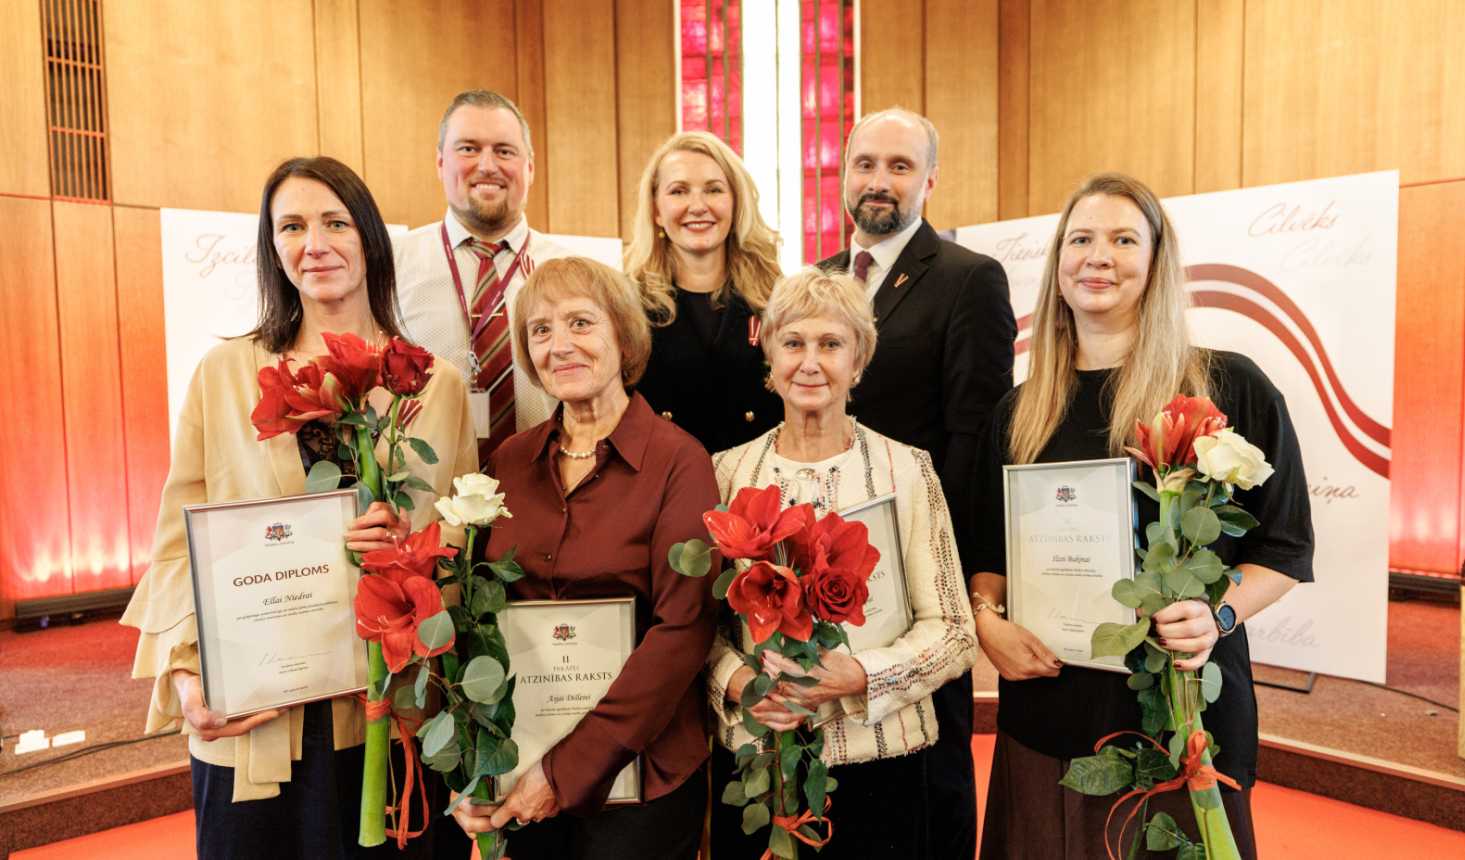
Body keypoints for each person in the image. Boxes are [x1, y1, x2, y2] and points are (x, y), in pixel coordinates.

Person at [120, 156, 479, 859]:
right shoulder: (223, 374)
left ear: (371, 239)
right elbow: (175, 549)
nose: (313, 243)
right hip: (260, 717)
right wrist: (188, 676)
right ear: (272, 248)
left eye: (334, 222)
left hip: (388, 715)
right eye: (290, 226)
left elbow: (462, 546)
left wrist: (412, 555)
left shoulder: (431, 384)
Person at [969, 173, 1314, 860]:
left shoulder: (1225, 387)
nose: (1099, 257)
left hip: (1176, 714)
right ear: (1058, 263)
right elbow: (987, 553)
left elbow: (1282, 550)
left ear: (1156, 262)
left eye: (1124, 239)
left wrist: (1216, 616)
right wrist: (988, 624)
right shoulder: (1018, 413)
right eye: (1081, 239)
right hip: (1048, 713)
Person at [452, 257, 720, 860]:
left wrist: (566, 770)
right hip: (521, 767)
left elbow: (683, 630)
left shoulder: (681, 461)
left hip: (642, 779)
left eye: (580, 322)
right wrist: (476, 764)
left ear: (622, 336)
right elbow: (478, 616)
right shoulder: (508, 465)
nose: (560, 345)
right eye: (541, 330)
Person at [707, 269, 978, 859]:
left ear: (859, 361)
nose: (810, 362)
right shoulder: (722, 474)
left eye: (831, 344)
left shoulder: (907, 469)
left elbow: (956, 632)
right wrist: (738, 681)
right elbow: (696, 628)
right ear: (769, 355)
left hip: (881, 768)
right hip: (756, 763)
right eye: (793, 342)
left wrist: (862, 676)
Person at [816, 107, 1015, 858]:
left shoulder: (969, 280)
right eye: (866, 164)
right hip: (827, 564)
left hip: (918, 564)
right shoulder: (820, 281)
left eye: (900, 167)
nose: (879, 181)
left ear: (929, 180)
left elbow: (975, 435)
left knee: (929, 762)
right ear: (843, 176)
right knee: (843, 746)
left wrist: (946, 574)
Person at [394, 89, 571, 461]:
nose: (488, 166)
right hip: (425, 499)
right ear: (441, 164)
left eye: (504, 151)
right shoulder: (389, 267)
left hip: (548, 490)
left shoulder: (575, 275)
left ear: (530, 167)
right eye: (469, 149)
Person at [625, 131, 785, 453]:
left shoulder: (779, 298)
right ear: (656, 210)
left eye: (714, 189)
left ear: (735, 203)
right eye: (679, 191)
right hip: (668, 489)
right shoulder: (625, 306)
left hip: (758, 489)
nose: (697, 206)